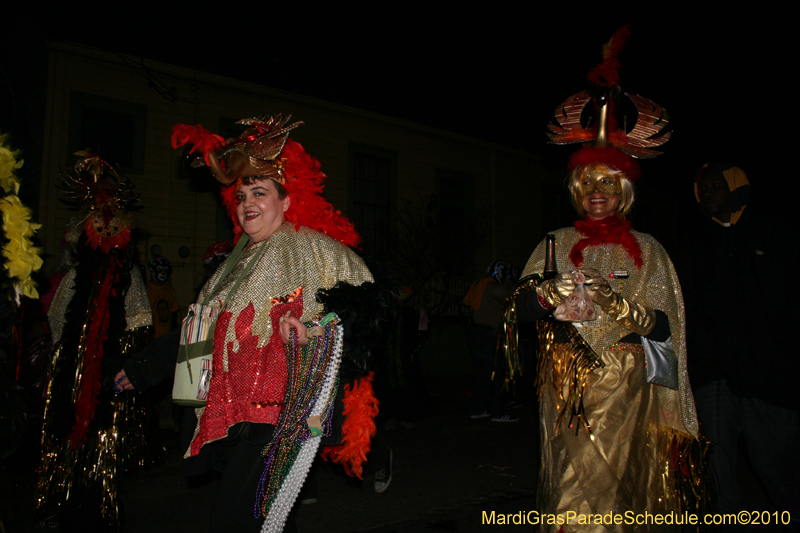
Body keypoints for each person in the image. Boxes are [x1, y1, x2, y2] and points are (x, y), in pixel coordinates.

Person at [115, 116, 383, 533]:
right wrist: (143, 367)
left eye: (259, 192)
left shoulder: (316, 250)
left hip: (279, 419)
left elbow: (366, 311)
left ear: (287, 200)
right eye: (241, 196)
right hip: (231, 415)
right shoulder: (233, 264)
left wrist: (314, 330)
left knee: (236, 520)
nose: (246, 204)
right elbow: (202, 329)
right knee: (268, 522)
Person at [510, 27, 702, 531]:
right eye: (588, 183)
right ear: (576, 189)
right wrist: (548, 297)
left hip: (625, 395)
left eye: (608, 183)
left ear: (624, 191)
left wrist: (619, 307)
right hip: (566, 390)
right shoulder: (553, 241)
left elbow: (665, 327)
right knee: (568, 494)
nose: (597, 192)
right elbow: (519, 308)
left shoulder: (649, 251)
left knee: (620, 496)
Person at [35, 153, 153, 531]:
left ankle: (101, 505)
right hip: (72, 372)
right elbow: (57, 321)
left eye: (111, 226)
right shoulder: (74, 278)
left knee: (104, 443)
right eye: (97, 226)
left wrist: (125, 359)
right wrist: (63, 359)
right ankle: (67, 501)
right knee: (68, 435)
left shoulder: (129, 276)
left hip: (109, 374)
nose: (105, 231)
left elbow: (141, 318)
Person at [679, 162, 800, 527]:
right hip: (713, 373)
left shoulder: (773, 232)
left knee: (777, 463)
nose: (707, 193)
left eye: (715, 185)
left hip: (768, 375)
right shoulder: (695, 242)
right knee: (716, 466)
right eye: (702, 188)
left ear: (735, 187)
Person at [463, 260, 516, 421]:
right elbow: (511, 297)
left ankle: (478, 409)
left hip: (476, 332)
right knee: (496, 372)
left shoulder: (480, 284)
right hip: (488, 335)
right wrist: (513, 283)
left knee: (482, 373)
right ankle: (498, 411)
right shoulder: (492, 287)